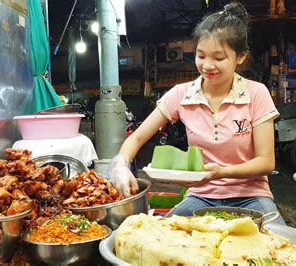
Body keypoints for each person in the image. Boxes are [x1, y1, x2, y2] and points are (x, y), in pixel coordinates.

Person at [109, 2, 285, 224]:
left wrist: (221, 172)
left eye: (219, 58)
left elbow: (266, 162)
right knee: (159, 236)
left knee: (280, 247)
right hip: (201, 197)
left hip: (251, 196)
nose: (207, 66)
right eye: (201, 56)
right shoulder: (182, 94)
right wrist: (121, 165)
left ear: (240, 56)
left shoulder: (255, 93)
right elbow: (137, 137)